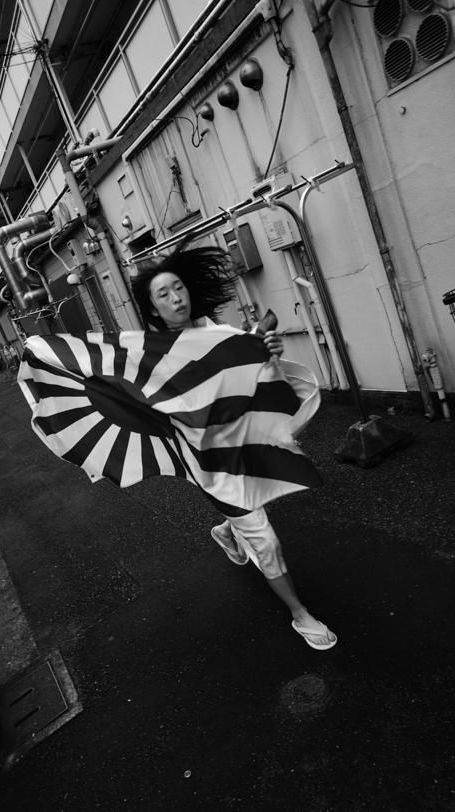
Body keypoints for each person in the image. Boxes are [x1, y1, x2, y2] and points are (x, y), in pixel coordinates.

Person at [131, 242, 337, 651]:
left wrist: (268, 354)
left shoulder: (222, 335)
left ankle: (227, 532)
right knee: (265, 540)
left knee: (256, 506)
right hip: (211, 465)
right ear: (153, 308)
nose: (176, 298)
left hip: (244, 447)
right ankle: (300, 614)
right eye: (164, 294)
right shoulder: (153, 357)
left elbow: (254, 380)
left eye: (179, 287)